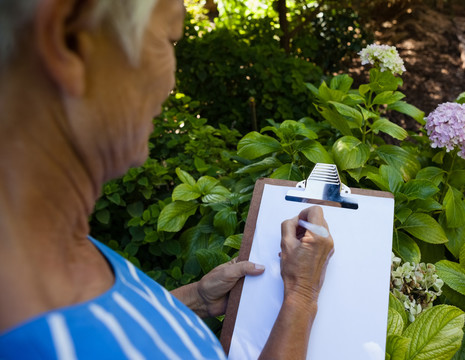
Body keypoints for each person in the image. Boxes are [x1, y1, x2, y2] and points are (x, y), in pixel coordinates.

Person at [0, 0, 334, 359]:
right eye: (166, 39)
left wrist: (195, 300)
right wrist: (301, 295)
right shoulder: (52, 345)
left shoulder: (46, 243)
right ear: (70, 40)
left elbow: (118, 329)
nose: (171, 83)